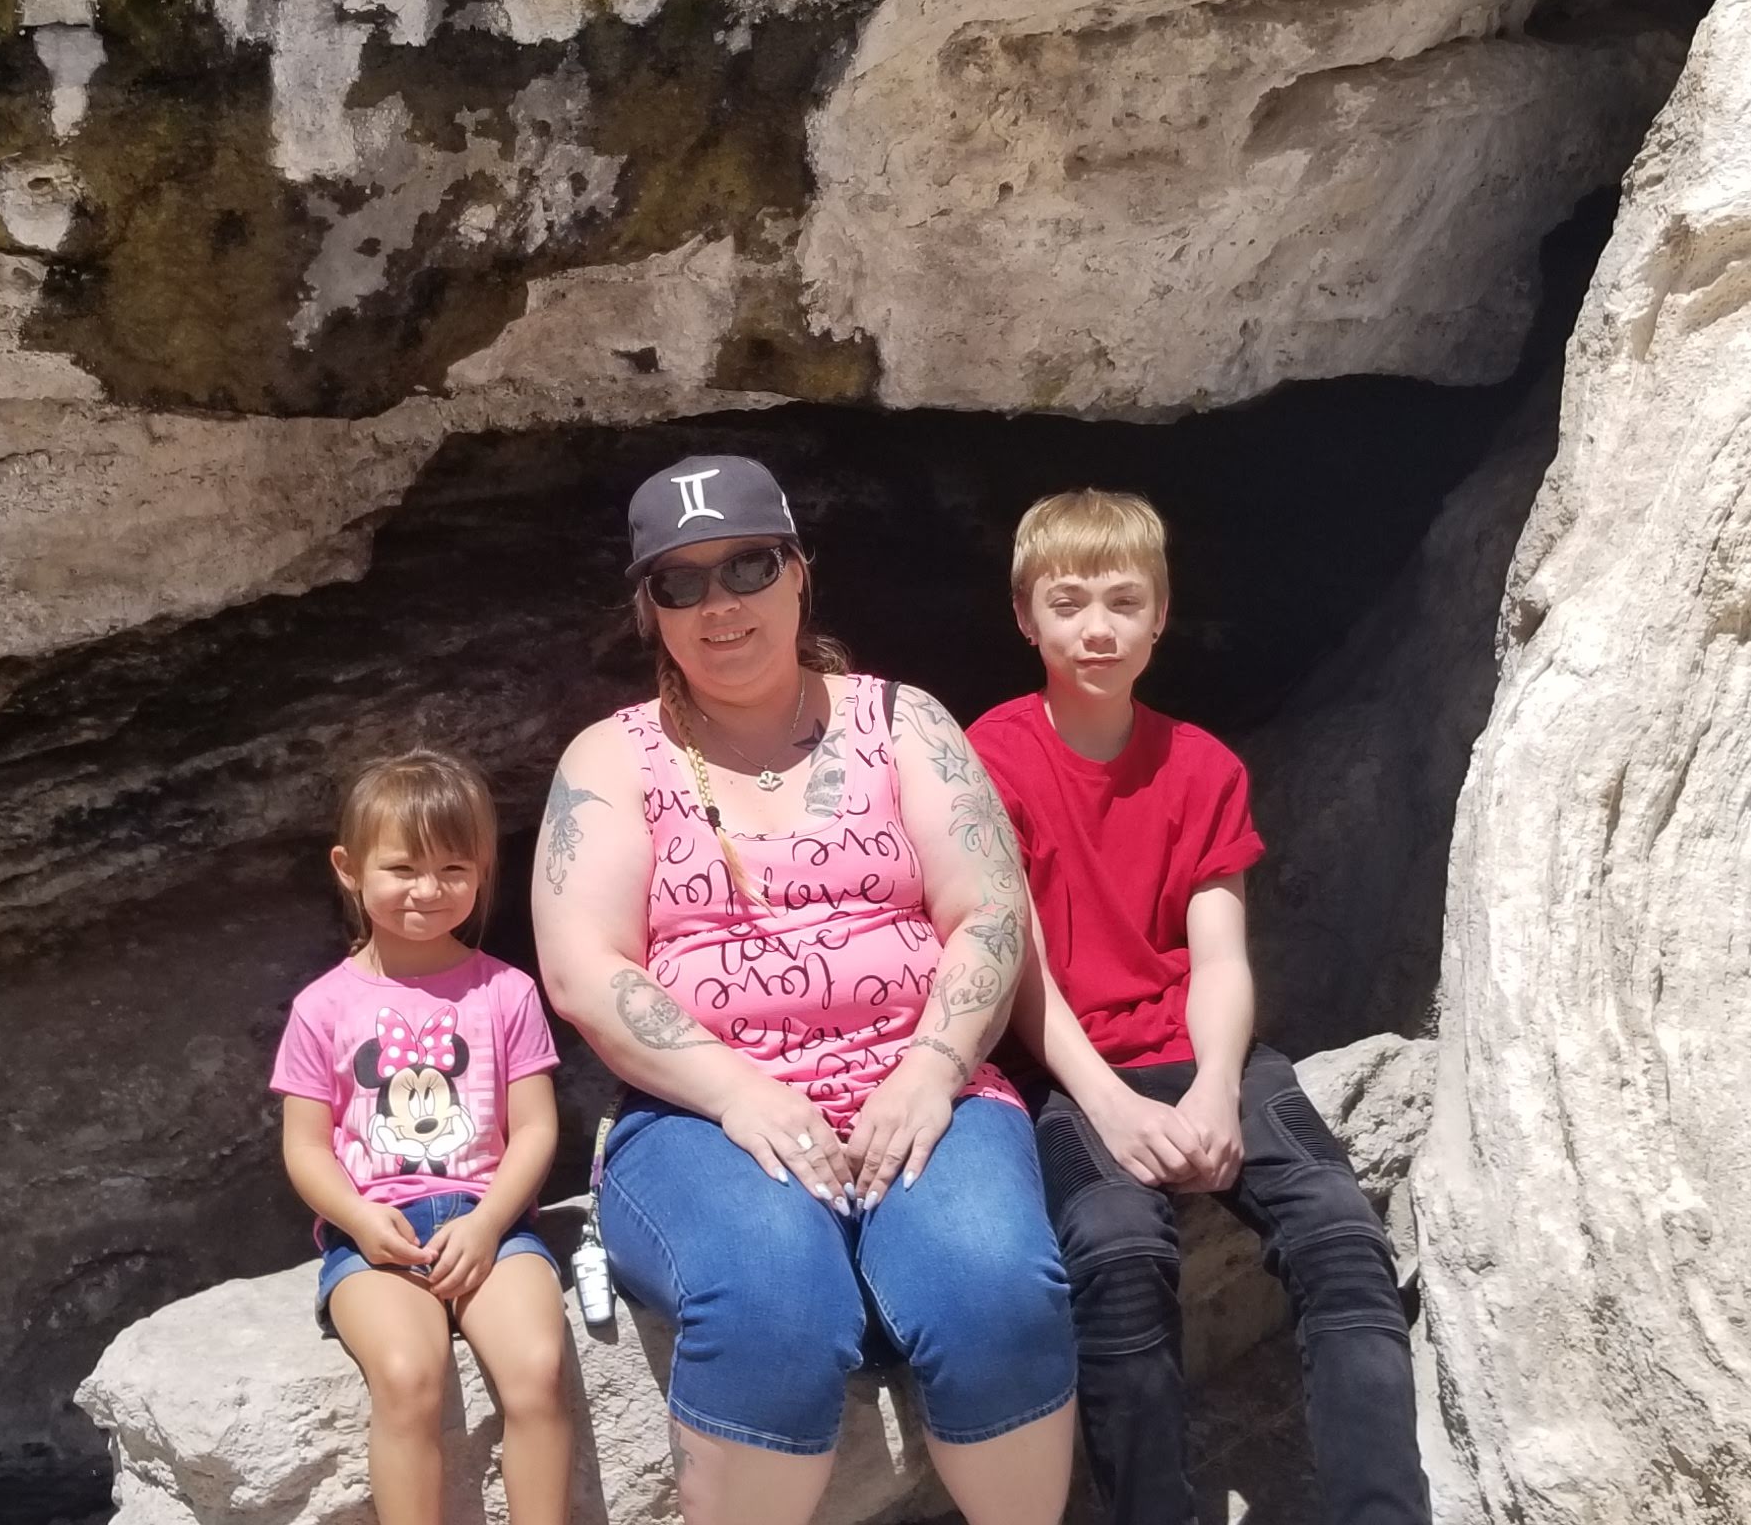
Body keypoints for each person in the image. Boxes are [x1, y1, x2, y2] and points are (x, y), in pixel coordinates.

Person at [530, 453, 1076, 1525]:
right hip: (699, 1116)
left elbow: (990, 910)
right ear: (649, 609)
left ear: (798, 573)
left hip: (924, 1084)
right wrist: (740, 1090)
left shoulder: (905, 722)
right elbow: (583, 965)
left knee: (992, 1285)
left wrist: (931, 1067)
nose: (718, 604)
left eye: (748, 566)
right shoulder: (610, 759)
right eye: (680, 582)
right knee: (771, 1297)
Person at [968, 490, 1427, 1525]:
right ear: (1025, 617)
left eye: (1124, 601)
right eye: (1068, 602)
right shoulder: (989, 759)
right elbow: (1016, 968)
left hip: (1201, 1051)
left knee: (1341, 1236)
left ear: (1161, 615)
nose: (1098, 628)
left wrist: (1217, 1089)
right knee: (1118, 1254)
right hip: (1064, 1069)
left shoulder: (1202, 766)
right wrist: (1112, 1106)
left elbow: (1220, 959)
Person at [272, 750, 573, 1525]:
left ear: (482, 870)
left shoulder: (506, 992)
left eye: (453, 869)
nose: (428, 890)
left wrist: (489, 1222)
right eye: (402, 868)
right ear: (349, 869)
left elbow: (535, 1128)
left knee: (537, 1368)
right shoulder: (321, 1006)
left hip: (491, 1224)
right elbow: (306, 1146)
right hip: (377, 1232)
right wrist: (358, 1217)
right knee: (409, 1376)